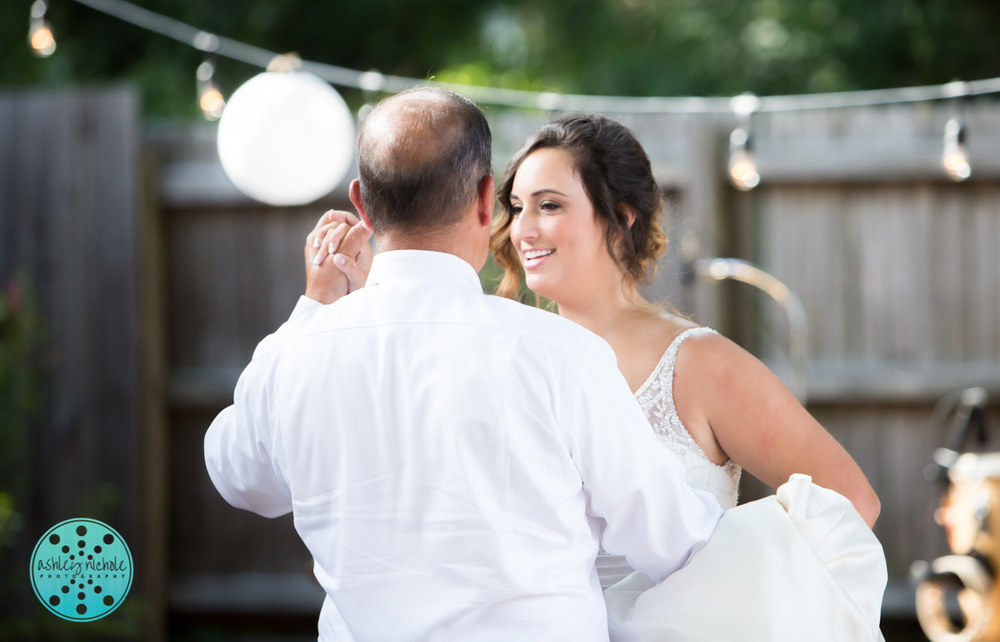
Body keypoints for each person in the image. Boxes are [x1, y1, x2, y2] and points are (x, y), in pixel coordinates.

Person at [310, 111, 888, 640]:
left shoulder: (699, 365)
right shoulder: (507, 354)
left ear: (621, 217)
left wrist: (684, 611)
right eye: (515, 206)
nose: (523, 229)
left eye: (551, 205)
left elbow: (850, 503)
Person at [204, 86, 724, 642]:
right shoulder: (561, 356)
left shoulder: (294, 357)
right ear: (485, 198)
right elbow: (670, 538)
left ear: (362, 202)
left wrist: (313, 311)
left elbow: (239, 478)